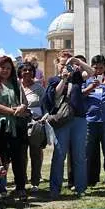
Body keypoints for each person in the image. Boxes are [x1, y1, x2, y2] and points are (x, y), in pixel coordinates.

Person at [43, 51, 92, 198]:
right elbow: (56, 95)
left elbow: (91, 72)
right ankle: (55, 188)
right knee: (59, 154)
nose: (66, 66)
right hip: (62, 120)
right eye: (63, 64)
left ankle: (81, 187)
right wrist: (63, 79)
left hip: (79, 119)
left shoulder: (78, 77)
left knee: (79, 155)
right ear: (57, 64)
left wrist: (78, 61)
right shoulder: (53, 80)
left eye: (68, 64)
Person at [0, 56, 31, 201]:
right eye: (2, 67)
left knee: (18, 159)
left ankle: (20, 188)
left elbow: (25, 102)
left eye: (8, 68)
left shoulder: (16, 84)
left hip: (15, 127)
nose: (5, 70)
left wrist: (22, 107)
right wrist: (13, 111)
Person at [83, 55, 105, 190]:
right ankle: (84, 180)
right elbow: (79, 95)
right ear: (92, 67)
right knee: (87, 152)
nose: (98, 70)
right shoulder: (86, 79)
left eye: (101, 68)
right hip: (90, 121)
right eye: (95, 68)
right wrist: (90, 87)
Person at [19, 62, 46, 191]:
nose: (27, 72)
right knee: (21, 154)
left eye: (30, 70)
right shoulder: (16, 87)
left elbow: (46, 104)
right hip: (20, 124)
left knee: (35, 153)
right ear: (20, 73)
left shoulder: (39, 88)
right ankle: (22, 181)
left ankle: (35, 182)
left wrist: (44, 119)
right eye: (24, 70)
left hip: (36, 123)